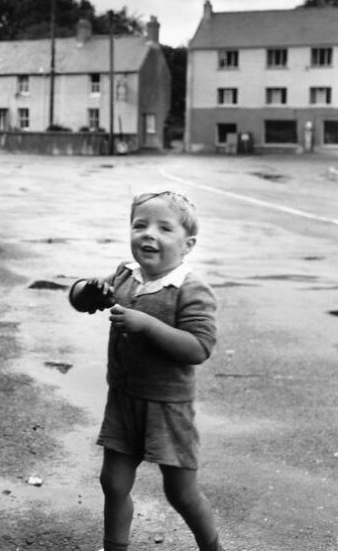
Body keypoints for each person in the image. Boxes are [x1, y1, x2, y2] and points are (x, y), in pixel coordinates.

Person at [69, 191, 223, 551]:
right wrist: (86, 290)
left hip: (168, 407)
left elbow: (199, 348)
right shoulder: (125, 276)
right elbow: (78, 300)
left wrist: (147, 325)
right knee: (114, 482)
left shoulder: (192, 289)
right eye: (140, 225)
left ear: (188, 244)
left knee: (181, 492)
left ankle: (212, 547)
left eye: (164, 228)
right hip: (124, 400)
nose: (148, 234)